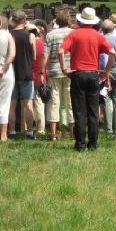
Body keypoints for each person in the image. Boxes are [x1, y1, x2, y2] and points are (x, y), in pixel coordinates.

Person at [59, 7, 115, 151]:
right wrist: (106, 71)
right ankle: (93, 143)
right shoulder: (98, 35)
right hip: (93, 74)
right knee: (93, 111)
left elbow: (61, 51)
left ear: (80, 20)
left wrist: (64, 68)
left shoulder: (74, 34)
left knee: (79, 111)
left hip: (78, 74)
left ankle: (80, 144)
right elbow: (112, 52)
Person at [42, 10, 74, 142]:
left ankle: (54, 134)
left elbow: (45, 55)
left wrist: (41, 71)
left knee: (54, 103)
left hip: (54, 71)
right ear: (69, 21)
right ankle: (73, 134)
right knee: (70, 103)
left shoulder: (50, 35)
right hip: (70, 70)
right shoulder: (73, 33)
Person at [8, 10, 36, 138]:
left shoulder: (8, 34)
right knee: (28, 104)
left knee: (12, 104)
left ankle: (12, 131)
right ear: (24, 20)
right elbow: (34, 56)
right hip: (26, 72)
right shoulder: (30, 36)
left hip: (12, 73)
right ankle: (30, 131)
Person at [29, 22, 47, 138]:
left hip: (29, 76)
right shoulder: (44, 44)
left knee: (28, 104)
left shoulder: (28, 44)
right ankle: (41, 129)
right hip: (41, 76)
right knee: (40, 104)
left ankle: (27, 128)